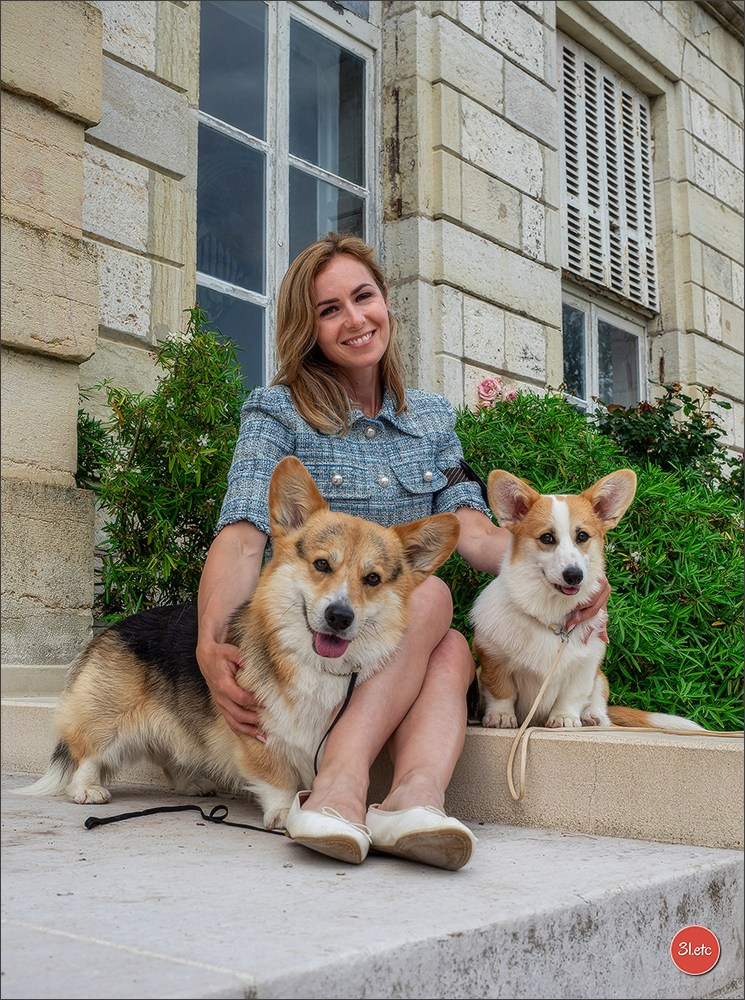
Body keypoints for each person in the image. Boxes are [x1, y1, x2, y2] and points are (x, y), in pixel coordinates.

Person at [196, 232, 609, 870]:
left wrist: (567, 577)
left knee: (446, 635)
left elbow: (473, 532)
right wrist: (209, 639)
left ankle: (414, 798)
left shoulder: (433, 420)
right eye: (330, 309)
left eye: (364, 297)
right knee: (435, 597)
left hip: (391, 643)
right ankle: (342, 781)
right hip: (316, 651)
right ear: (308, 328)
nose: (355, 319)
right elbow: (246, 532)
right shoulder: (278, 412)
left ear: (387, 302)